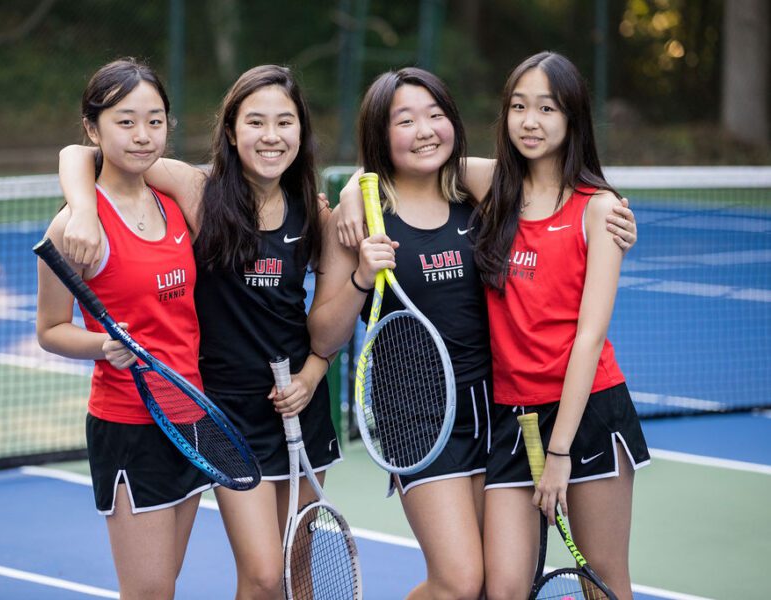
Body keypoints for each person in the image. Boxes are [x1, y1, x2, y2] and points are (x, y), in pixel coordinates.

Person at [317, 64, 639, 599]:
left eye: (435, 115)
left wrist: (612, 216)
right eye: (405, 120)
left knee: (509, 586)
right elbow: (324, 337)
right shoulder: (366, 219)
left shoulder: (487, 192)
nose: (424, 131)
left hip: (510, 412)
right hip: (429, 417)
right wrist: (356, 207)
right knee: (463, 581)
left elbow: (561, 192)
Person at [58, 64, 341, 599]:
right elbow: (83, 153)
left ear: (302, 131)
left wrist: (314, 371)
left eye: (285, 122)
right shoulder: (198, 190)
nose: (271, 136)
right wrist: (82, 209)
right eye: (255, 121)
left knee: (292, 573)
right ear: (230, 130)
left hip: (298, 404)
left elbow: (331, 319)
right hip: (220, 411)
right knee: (263, 575)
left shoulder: (314, 212)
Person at [475, 52, 649, 600]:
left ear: (572, 117)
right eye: (518, 107)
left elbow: (589, 337)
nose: (530, 122)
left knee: (603, 581)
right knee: (504, 586)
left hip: (588, 411)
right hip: (512, 416)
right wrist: (353, 194)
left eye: (547, 109)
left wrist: (559, 453)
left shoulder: (600, 209)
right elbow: (402, 162)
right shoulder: (490, 185)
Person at [35, 58, 210, 599]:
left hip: (192, 414)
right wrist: (103, 345)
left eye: (155, 121)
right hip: (130, 424)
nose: (142, 135)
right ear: (94, 129)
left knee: (166, 585)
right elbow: (50, 329)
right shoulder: (72, 228)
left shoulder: (177, 202)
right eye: (126, 121)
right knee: (149, 592)